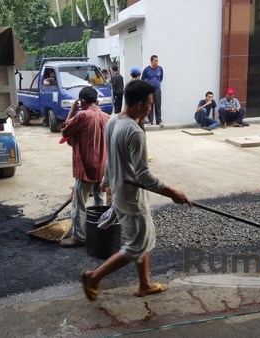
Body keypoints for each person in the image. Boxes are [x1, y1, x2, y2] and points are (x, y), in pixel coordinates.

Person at [81, 80, 191, 301]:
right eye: (149, 105)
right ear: (140, 104)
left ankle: (145, 283)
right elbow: (144, 175)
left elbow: (110, 158)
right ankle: (94, 277)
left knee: (144, 239)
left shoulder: (113, 121)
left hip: (121, 193)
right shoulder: (135, 131)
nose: (150, 109)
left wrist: (105, 180)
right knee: (136, 245)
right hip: (132, 199)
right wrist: (173, 193)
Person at [59, 86, 111, 247]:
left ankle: (79, 237)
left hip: (86, 167)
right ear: (96, 101)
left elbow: (65, 131)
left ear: (82, 102)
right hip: (103, 167)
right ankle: (99, 231)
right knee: (99, 202)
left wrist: (72, 111)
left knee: (79, 204)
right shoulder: (107, 117)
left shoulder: (82, 115)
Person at [141, 55, 164, 126]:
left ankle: (159, 121)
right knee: (150, 106)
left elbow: (161, 78)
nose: (157, 62)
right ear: (151, 61)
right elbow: (142, 79)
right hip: (149, 91)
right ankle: (150, 121)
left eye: (157, 60)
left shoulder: (160, 69)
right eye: (155, 61)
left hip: (157, 90)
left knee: (158, 105)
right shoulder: (146, 69)